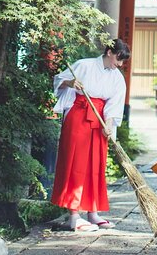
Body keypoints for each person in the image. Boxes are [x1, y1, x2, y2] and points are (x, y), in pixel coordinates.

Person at [50, 39, 131, 232]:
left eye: (122, 62)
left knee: (96, 165)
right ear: (110, 52)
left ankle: (93, 213)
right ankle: (74, 216)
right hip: (78, 118)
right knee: (75, 163)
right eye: (118, 59)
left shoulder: (117, 78)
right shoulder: (84, 65)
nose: (119, 65)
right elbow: (58, 82)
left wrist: (109, 125)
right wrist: (71, 83)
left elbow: (114, 104)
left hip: (100, 120)